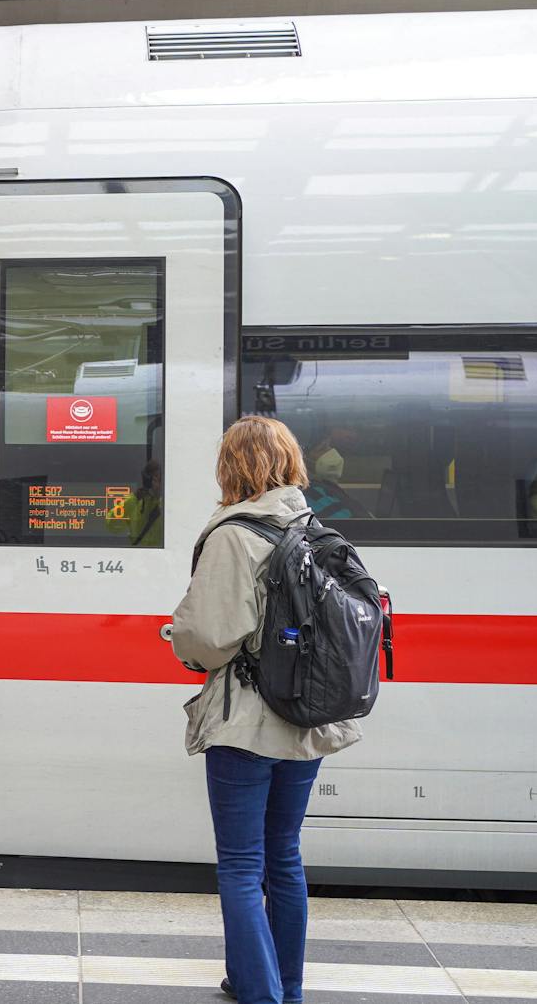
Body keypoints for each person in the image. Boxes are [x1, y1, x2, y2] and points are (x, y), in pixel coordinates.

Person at [170, 416, 361, 1004]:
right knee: (283, 855)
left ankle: (259, 991)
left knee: (240, 864)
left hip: (246, 724)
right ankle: (287, 986)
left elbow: (206, 638)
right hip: (307, 721)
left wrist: (177, 635)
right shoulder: (312, 526)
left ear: (231, 467)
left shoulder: (235, 533)